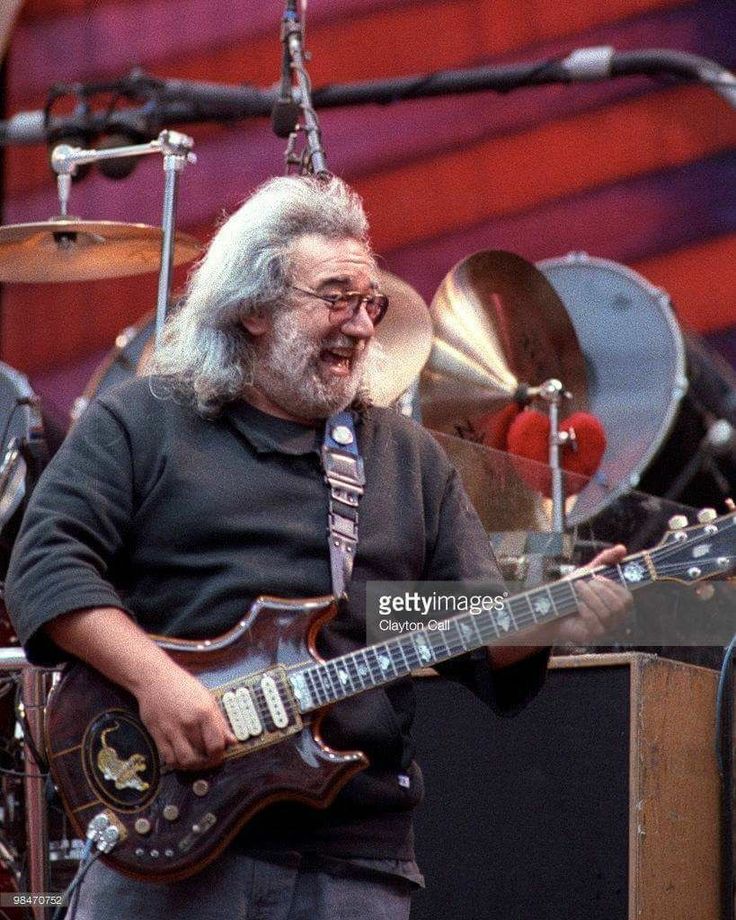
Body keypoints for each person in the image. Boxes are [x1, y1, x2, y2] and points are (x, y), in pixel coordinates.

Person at [5, 175, 631, 920]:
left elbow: (462, 627)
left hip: (354, 857)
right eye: (336, 298)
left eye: (372, 304)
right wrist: (156, 681)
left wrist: (552, 620)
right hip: (165, 840)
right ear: (253, 310)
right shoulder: (144, 421)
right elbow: (43, 564)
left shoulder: (407, 460)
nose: (363, 326)